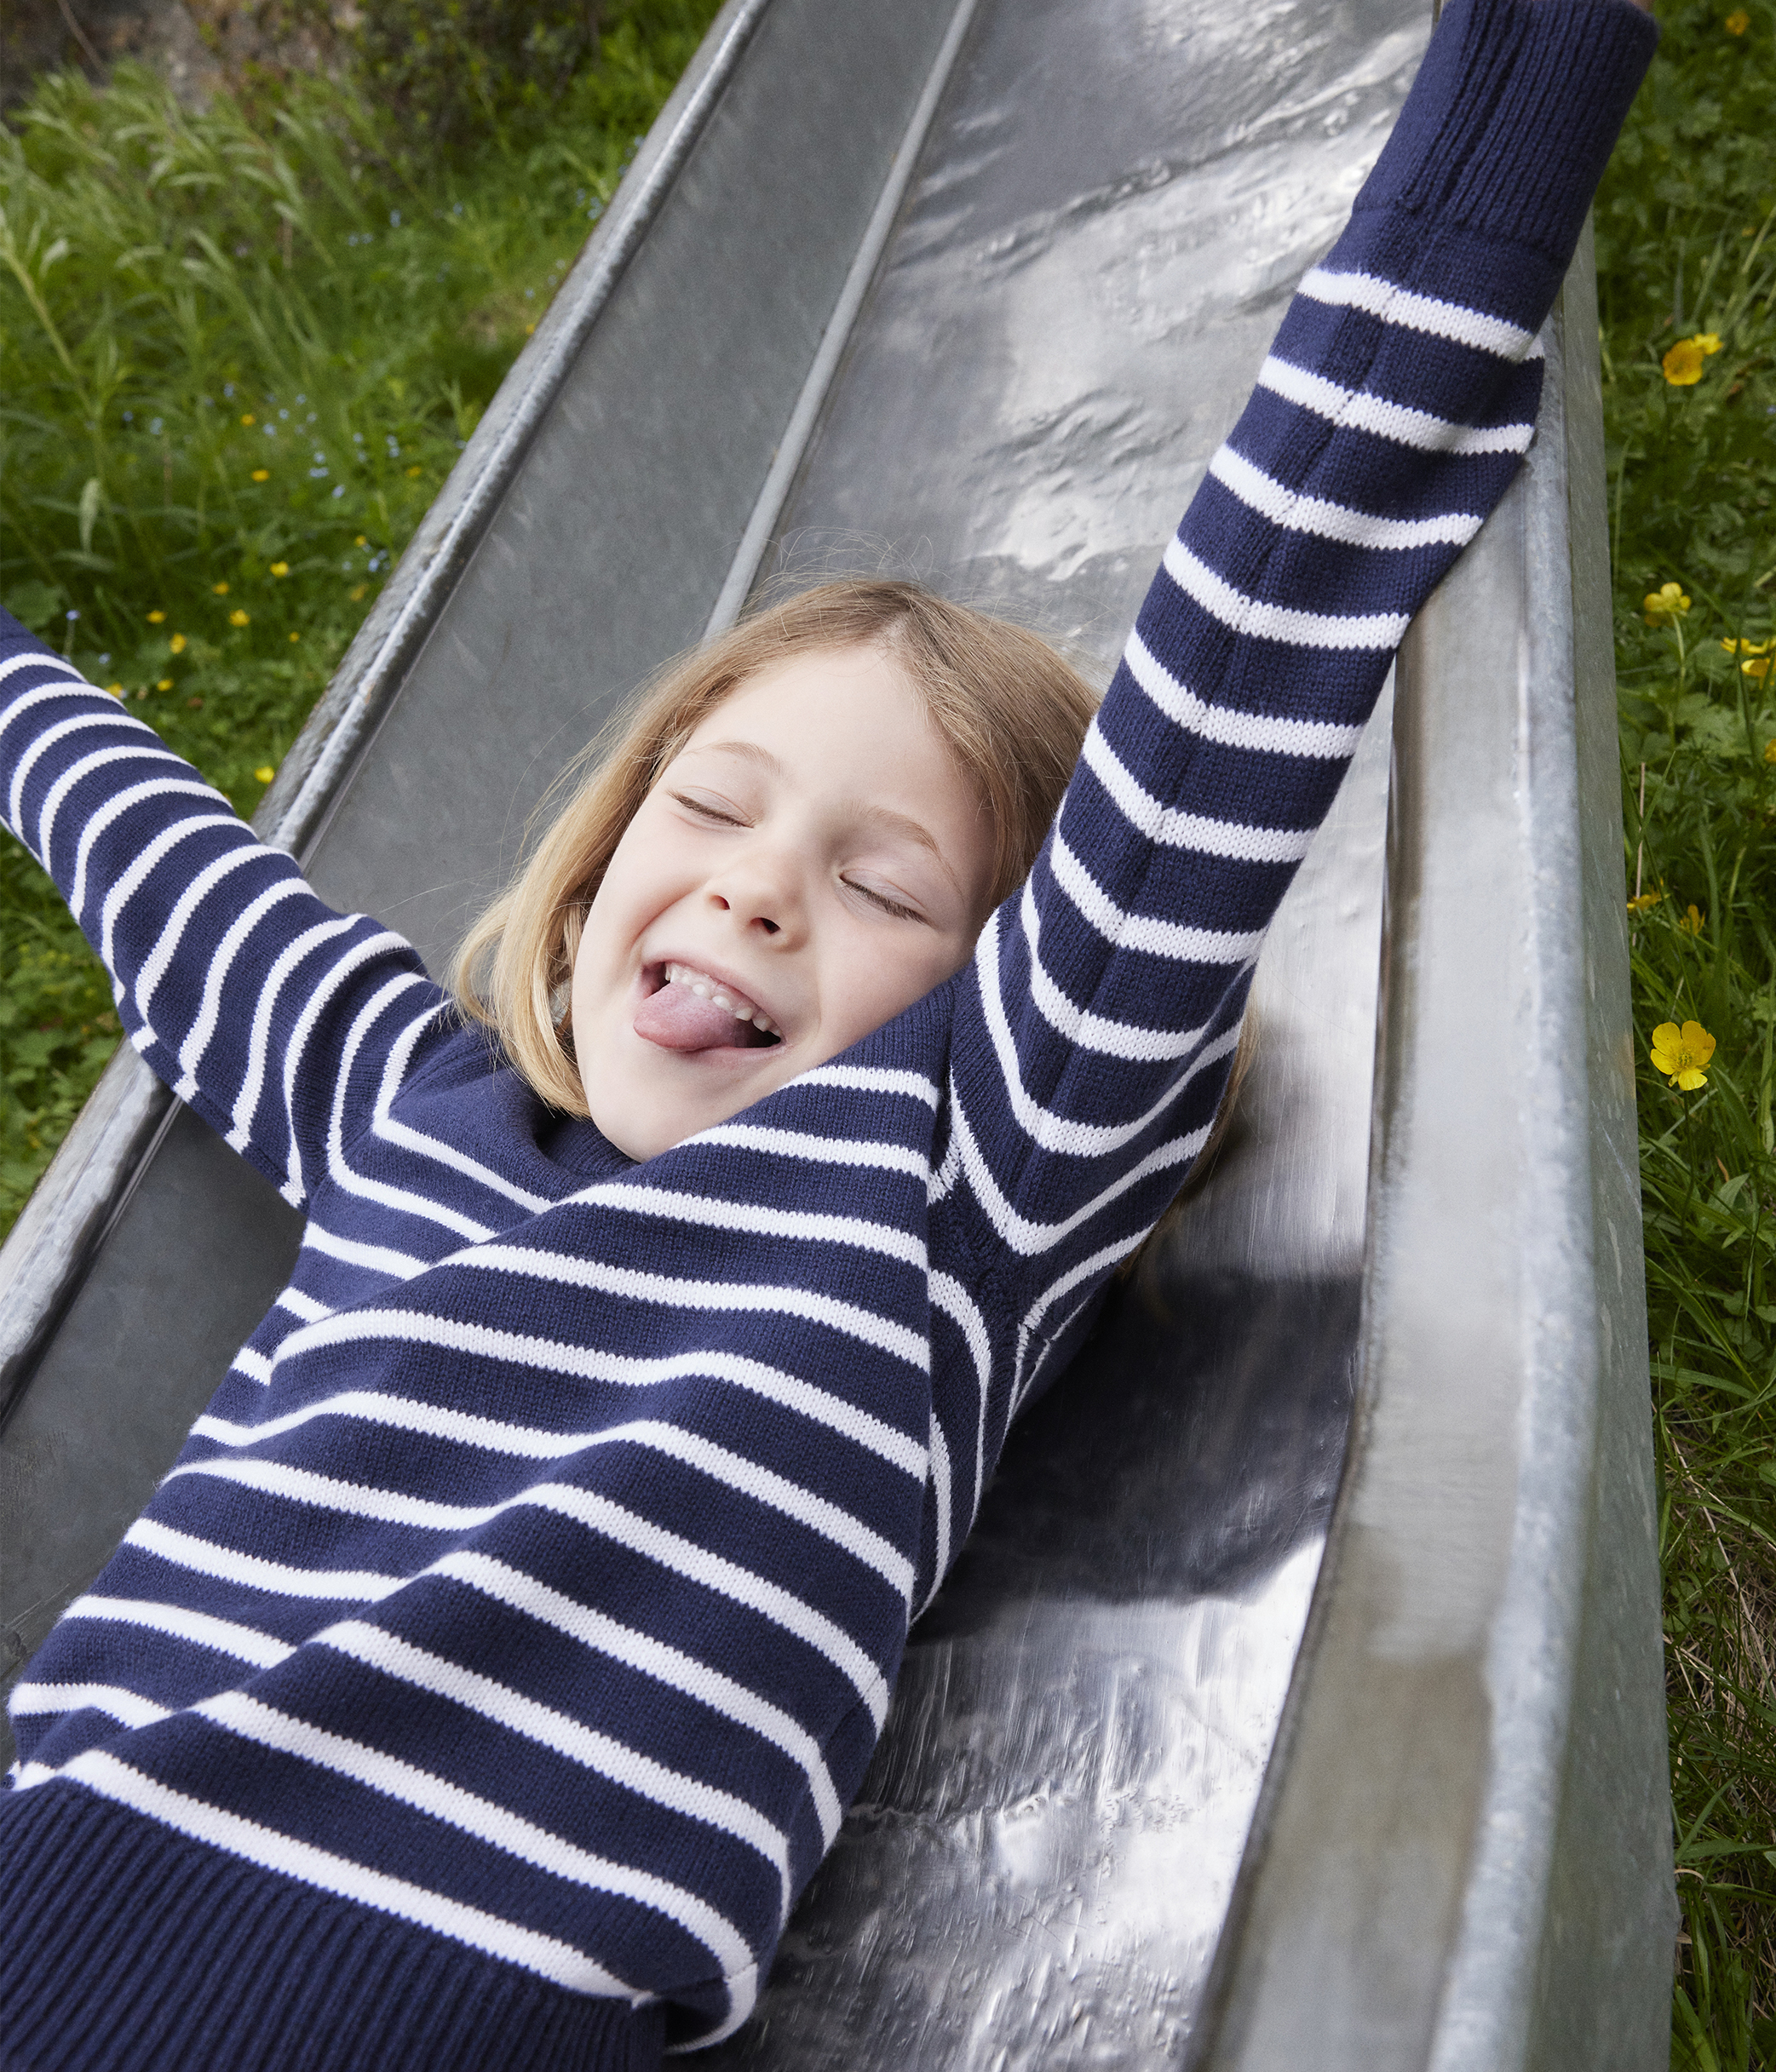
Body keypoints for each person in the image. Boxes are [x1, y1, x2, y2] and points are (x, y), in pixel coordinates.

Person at [0, 0, 1656, 2063]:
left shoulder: (951, 1178)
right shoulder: (409, 1093)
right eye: (703, 808)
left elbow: (1275, 584)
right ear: (599, 864)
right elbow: (173, 877)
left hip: (436, 1998)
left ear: (997, 986)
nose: (755, 884)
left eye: (885, 888)